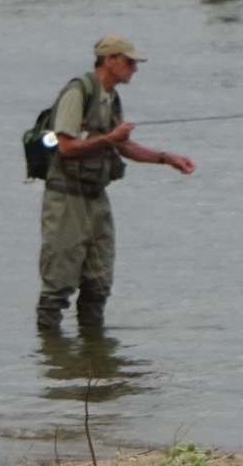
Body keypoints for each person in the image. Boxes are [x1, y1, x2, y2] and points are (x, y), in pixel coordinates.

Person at [37, 36, 195, 333]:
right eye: (129, 61)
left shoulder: (112, 99)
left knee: (98, 283)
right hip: (66, 199)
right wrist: (110, 138)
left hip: (97, 198)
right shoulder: (77, 92)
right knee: (57, 285)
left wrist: (165, 158)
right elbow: (66, 147)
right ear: (108, 60)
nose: (134, 68)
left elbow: (123, 146)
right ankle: (51, 353)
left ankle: (94, 354)